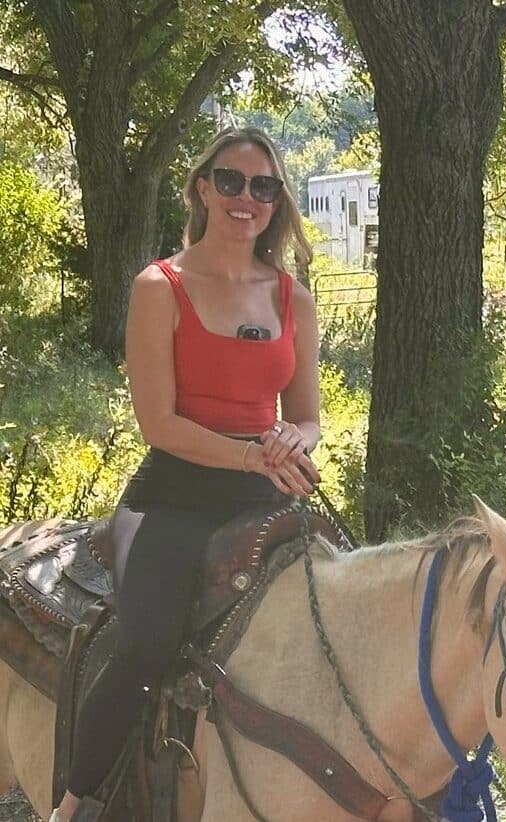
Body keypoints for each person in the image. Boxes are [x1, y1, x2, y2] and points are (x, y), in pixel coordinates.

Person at [51, 126, 322, 821]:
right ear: (203, 187)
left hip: (266, 490)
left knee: (331, 621)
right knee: (148, 641)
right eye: (230, 181)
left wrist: (293, 438)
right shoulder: (159, 285)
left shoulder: (293, 297)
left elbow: (309, 416)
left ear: (277, 201)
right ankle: (75, 799)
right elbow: (159, 425)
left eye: (263, 187)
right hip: (172, 491)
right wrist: (249, 453)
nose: (246, 198)